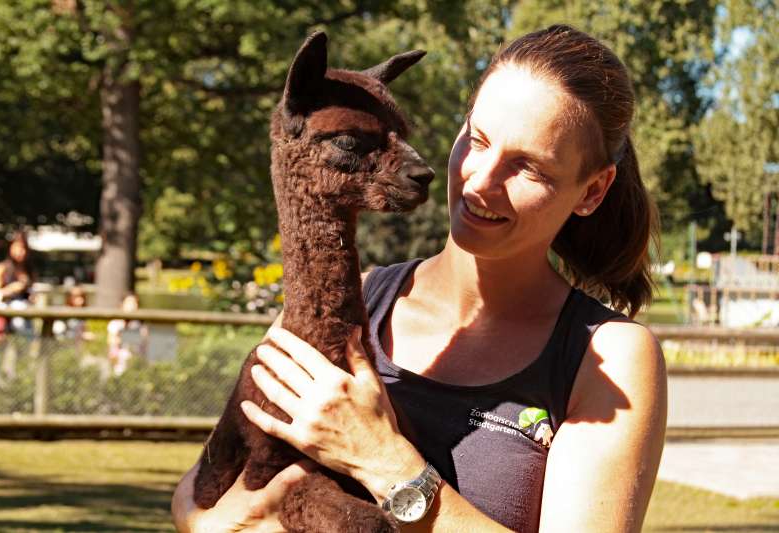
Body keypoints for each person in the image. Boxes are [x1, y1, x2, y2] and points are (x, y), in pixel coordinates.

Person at [172, 25, 667, 533]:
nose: (481, 180)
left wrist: (384, 461)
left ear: (592, 190)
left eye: (528, 168)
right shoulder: (353, 300)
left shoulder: (606, 358)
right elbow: (199, 500)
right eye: (477, 139)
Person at [0, 231, 36, 377]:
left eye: (24, 248)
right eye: (18, 247)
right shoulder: (2, 269)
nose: (21, 252)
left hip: (21, 325)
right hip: (1, 320)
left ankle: (19, 379)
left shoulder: (28, 272)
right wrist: (10, 290)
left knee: (21, 355)